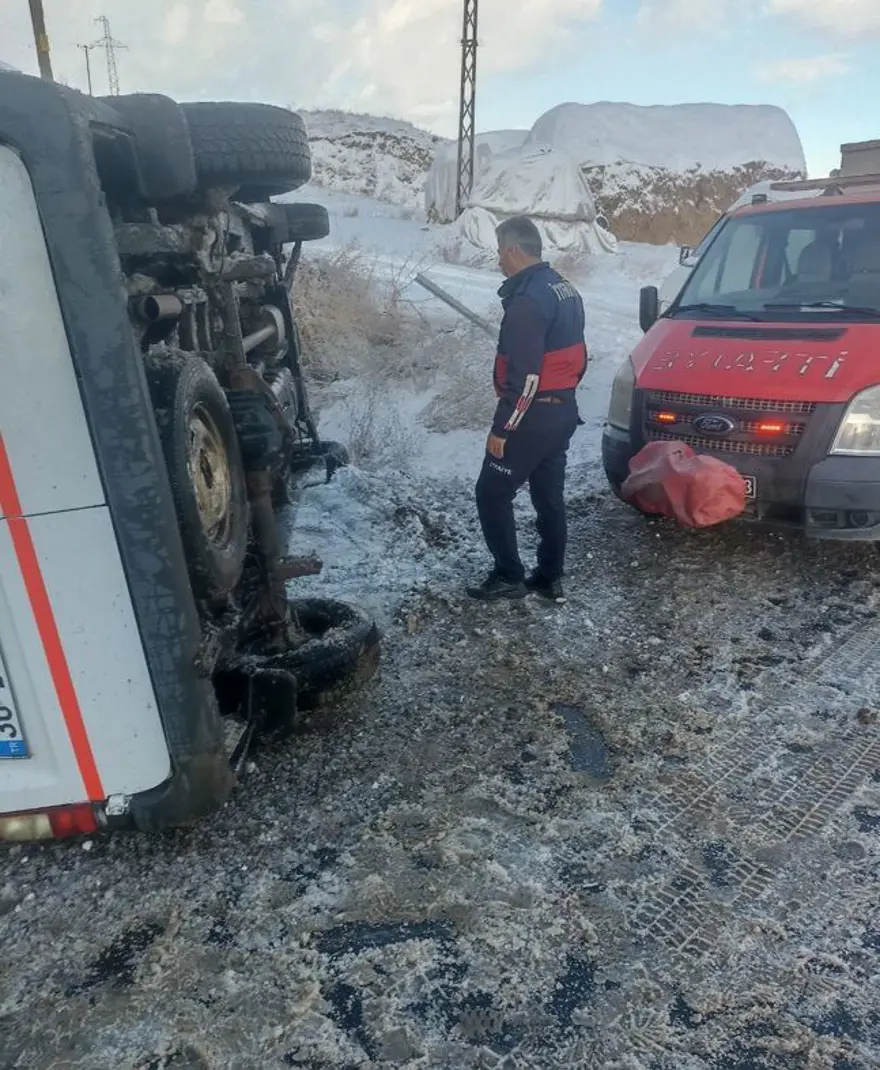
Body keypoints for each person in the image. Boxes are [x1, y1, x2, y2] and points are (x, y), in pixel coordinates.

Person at [467, 216, 587, 603]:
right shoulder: (564, 289)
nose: (499, 261)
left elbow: (526, 379)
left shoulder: (527, 303)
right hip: (562, 411)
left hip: (533, 416)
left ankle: (508, 576)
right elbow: (576, 357)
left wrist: (502, 429)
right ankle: (550, 577)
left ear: (515, 250)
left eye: (501, 252)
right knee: (548, 497)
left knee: (491, 492)